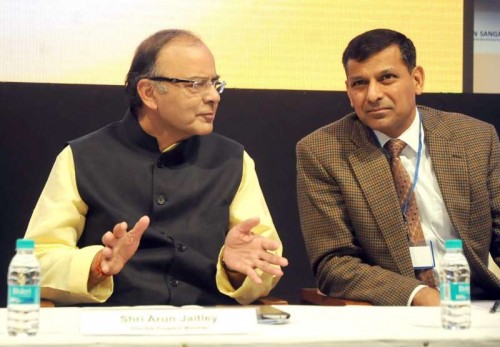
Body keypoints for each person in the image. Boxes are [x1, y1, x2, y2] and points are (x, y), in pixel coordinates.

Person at [25, 29, 288, 306]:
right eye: (196, 84)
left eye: (215, 83)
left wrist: (235, 269)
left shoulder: (233, 159)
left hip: (208, 326)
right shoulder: (81, 157)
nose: (214, 97)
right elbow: (36, 261)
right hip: (112, 329)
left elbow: (265, 261)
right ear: (149, 93)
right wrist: (96, 265)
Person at [296, 28, 500, 306]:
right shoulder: (323, 151)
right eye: (359, 83)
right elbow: (334, 265)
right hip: (393, 310)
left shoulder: (475, 138)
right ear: (348, 91)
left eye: (386, 78)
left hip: (477, 303)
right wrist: (420, 296)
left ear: (417, 80)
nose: (373, 94)